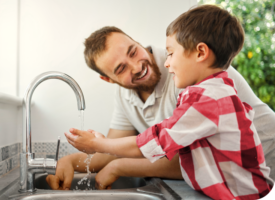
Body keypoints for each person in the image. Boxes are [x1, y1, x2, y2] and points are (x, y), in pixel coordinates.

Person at [46, 12, 275, 192]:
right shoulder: (130, 92)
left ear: (137, 41)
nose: (137, 66)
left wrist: (119, 166)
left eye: (133, 52)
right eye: (121, 69)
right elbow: (115, 148)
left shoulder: (199, 77)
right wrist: (71, 161)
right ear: (108, 79)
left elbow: (183, 157)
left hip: (260, 176)